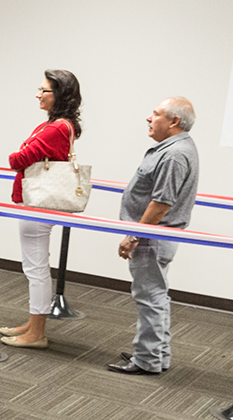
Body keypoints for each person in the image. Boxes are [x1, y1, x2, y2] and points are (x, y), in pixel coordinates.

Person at [107, 97, 199, 376]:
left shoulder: (174, 154)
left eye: (156, 114)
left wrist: (133, 235)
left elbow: (161, 203)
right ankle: (157, 354)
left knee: (150, 297)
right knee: (156, 295)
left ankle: (147, 360)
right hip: (156, 236)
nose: (149, 118)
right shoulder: (176, 148)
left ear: (174, 122)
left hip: (152, 237)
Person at [1, 69, 83, 349]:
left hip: (37, 205)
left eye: (43, 90)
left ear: (58, 95)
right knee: (35, 267)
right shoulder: (58, 124)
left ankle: (37, 332)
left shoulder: (57, 127)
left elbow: (19, 159)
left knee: (35, 269)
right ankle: (33, 323)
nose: (38, 94)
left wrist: (17, 153)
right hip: (35, 204)